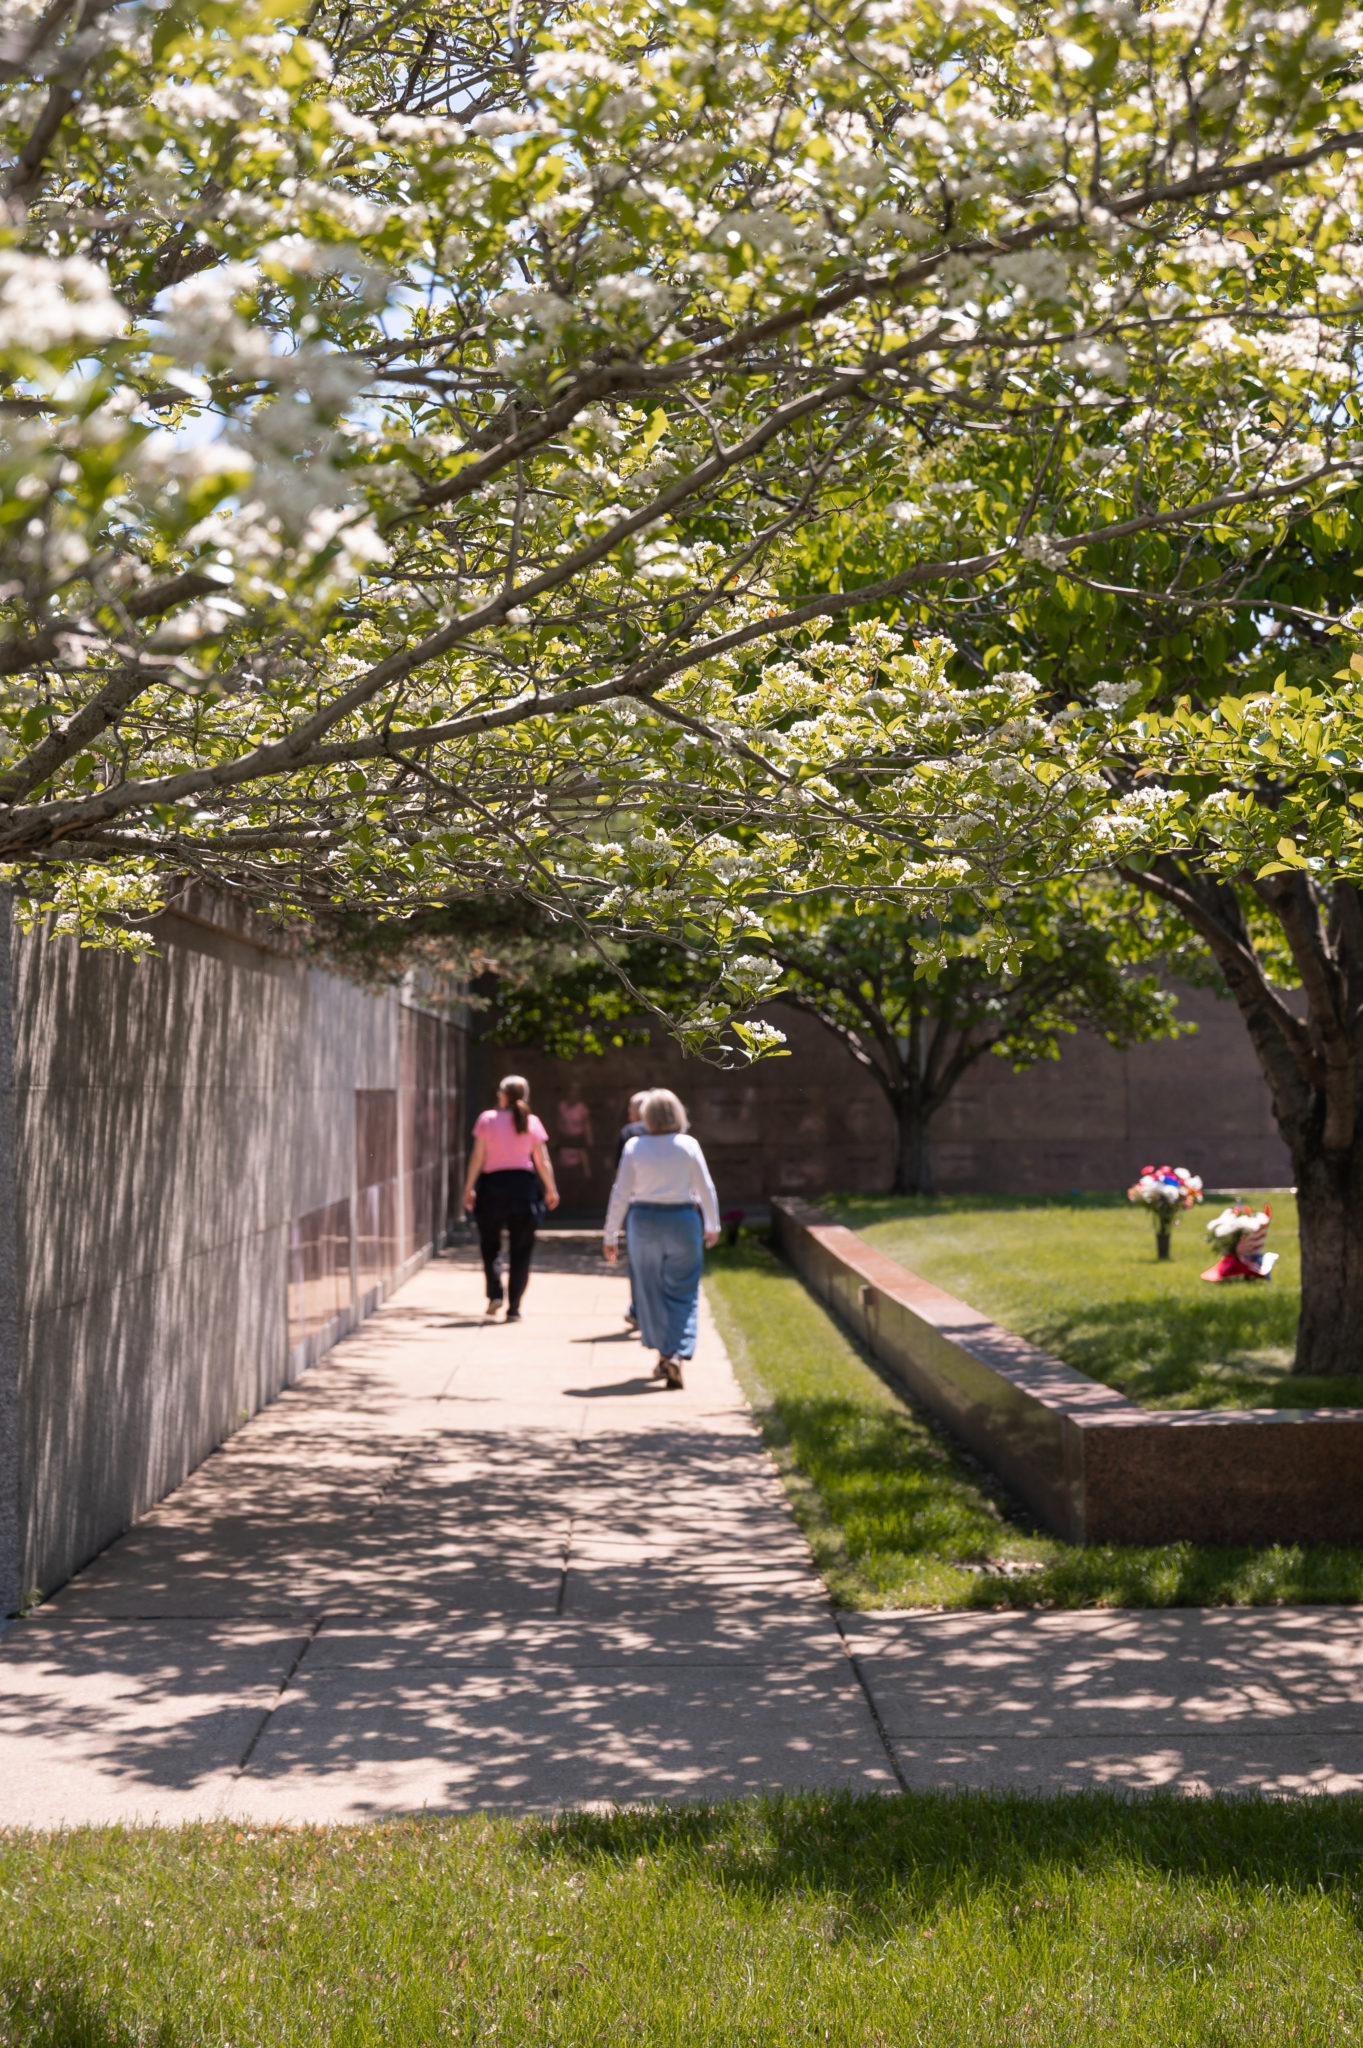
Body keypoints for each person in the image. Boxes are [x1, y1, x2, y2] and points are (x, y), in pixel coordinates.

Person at [602, 1087, 719, 1389]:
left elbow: (621, 1192)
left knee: (649, 1291)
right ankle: (676, 1352)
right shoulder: (687, 1145)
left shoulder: (634, 1147)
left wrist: (611, 1233)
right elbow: (706, 1187)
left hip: (644, 1223)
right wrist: (713, 1224)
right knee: (684, 1291)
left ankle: (666, 1353)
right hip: (682, 1220)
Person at [462, 1075, 559, 1321]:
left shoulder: (487, 1120)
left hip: (492, 1187)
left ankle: (495, 1293)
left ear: (502, 1095)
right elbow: (542, 1160)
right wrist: (550, 1188)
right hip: (523, 1188)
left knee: (490, 1244)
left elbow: (477, 1157)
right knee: (521, 1250)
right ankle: (514, 1307)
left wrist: (469, 1187)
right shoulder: (532, 1121)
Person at [616, 1090, 648, 1330]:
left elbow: (621, 1180)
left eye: (631, 1107)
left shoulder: (629, 1135)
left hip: (639, 1208)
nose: (628, 1112)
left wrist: (615, 1218)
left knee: (638, 1263)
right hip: (677, 1210)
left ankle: (638, 1310)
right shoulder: (680, 1136)